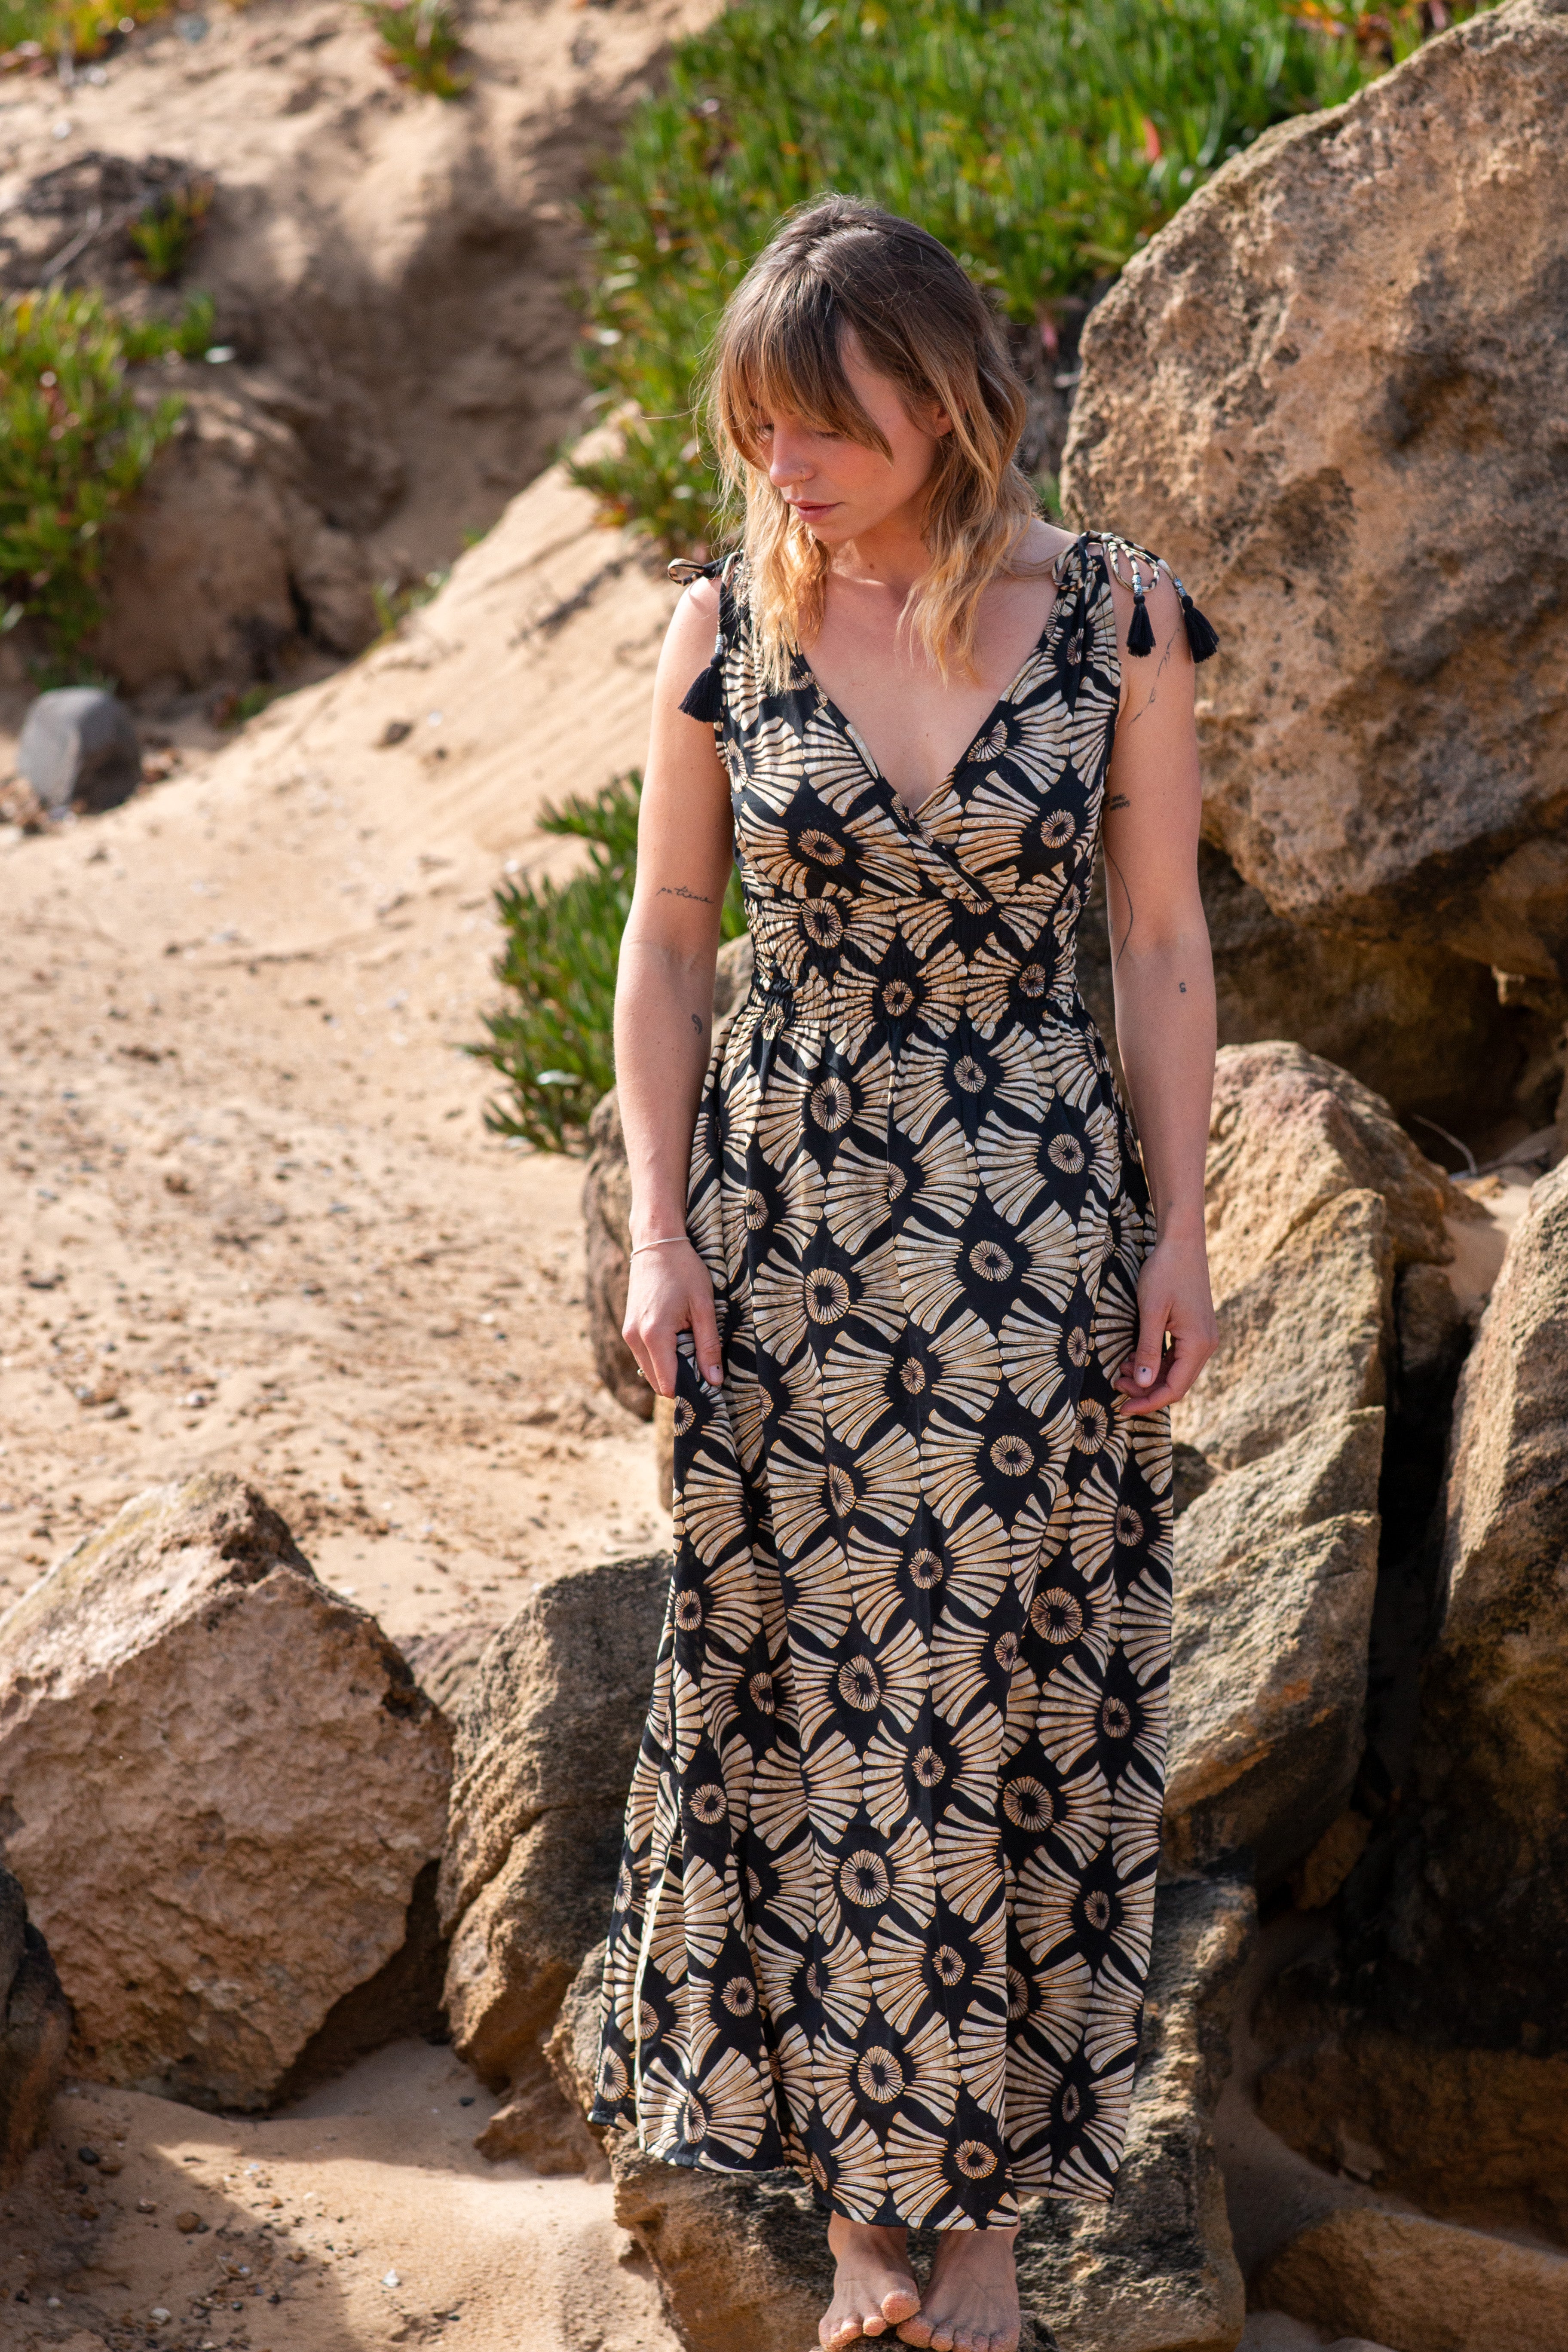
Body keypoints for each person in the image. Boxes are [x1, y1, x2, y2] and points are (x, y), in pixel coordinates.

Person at [589, 193, 1219, 2352]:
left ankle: (984, 2235)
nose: (786, 467)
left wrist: (1183, 1224)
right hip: (787, 1235)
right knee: (812, 1706)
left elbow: (1159, 942)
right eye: (758, 427)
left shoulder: (1120, 616)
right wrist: (656, 1229)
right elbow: (670, 938)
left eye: (827, 427)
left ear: (945, 404)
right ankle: (870, 2226)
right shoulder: (718, 629)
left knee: (1009, 1692)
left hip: (1035, 1224)